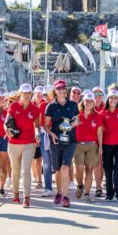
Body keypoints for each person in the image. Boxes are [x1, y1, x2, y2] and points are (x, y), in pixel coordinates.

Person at [44, 79, 79, 207]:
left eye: (63, 88)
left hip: (71, 141)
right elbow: (46, 126)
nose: (61, 91)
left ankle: (66, 196)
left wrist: (75, 123)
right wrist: (52, 134)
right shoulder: (50, 106)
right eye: (58, 89)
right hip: (56, 141)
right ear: (55, 90)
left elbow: (77, 119)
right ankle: (58, 192)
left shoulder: (73, 105)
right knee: (58, 170)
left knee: (65, 168)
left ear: (66, 90)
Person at [6, 83, 40, 208]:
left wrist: (37, 134)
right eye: (24, 93)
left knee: (26, 170)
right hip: (14, 143)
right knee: (15, 170)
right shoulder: (13, 106)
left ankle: (27, 197)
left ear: (31, 94)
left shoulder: (35, 109)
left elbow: (37, 126)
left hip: (29, 143)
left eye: (29, 93)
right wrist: (7, 130)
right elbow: (7, 122)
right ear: (20, 94)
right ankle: (16, 194)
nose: (26, 95)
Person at [101, 89, 118, 202]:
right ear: (108, 99)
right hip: (107, 144)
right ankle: (109, 193)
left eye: (115, 98)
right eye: (111, 98)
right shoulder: (103, 113)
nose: (113, 100)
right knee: (108, 169)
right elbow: (100, 130)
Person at [74, 92, 103, 202]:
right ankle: (80, 185)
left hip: (92, 145)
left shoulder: (97, 116)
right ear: (83, 102)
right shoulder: (77, 115)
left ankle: (86, 193)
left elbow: (100, 133)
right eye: (87, 101)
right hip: (78, 145)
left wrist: (100, 147)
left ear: (94, 103)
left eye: (91, 101)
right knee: (79, 168)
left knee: (89, 169)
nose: (89, 103)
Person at [39, 85, 55, 197]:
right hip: (45, 134)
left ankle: (61, 188)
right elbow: (40, 122)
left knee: (58, 162)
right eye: (44, 94)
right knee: (46, 162)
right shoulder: (42, 105)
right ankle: (48, 187)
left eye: (47, 94)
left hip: (57, 135)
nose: (45, 96)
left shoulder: (59, 104)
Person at [92, 86, 105, 197]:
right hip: (93, 139)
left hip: (107, 138)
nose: (98, 96)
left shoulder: (107, 106)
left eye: (100, 94)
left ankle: (99, 184)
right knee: (97, 164)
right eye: (95, 94)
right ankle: (98, 186)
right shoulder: (87, 105)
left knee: (102, 164)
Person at [68, 86, 82, 190]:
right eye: (74, 92)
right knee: (69, 160)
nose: (76, 94)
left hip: (81, 137)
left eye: (78, 93)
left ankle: (79, 182)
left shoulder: (83, 106)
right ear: (70, 93)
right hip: (69, 137)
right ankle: (71, 181)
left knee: (79, 163)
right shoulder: (66, 105)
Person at [32, 86, 44, 189]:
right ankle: (38, 179)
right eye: (37, 94)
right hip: (33, 134)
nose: (39, 95)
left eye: (41, 94)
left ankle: (39, 179)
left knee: (41, 159)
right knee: (36, 159)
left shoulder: (46, 105)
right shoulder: (31, 105)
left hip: (44, 133)